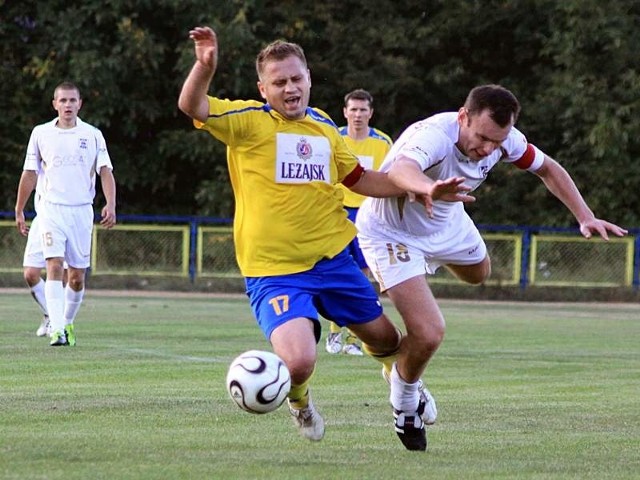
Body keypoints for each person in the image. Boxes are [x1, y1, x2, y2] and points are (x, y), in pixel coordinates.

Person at [177, 26, 463, 450]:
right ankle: (300, 403)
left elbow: (361, 178)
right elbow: (191, 104)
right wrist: (204, 67)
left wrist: (419, 187)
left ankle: (402, 384)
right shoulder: (247, 122)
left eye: (296, 79)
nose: (290, 88)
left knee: (387, 341)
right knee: (298, 361)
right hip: (274, 271)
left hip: (332, 261)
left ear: (309, 78)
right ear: (263, 88)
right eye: (279, 82)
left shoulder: (326, 127)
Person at [355, 84, 629, 449]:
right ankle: (405, 403)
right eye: (482, 137)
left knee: (479, 274)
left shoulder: (506, 139)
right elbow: (402, 170)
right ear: (463, 116)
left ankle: (404, 363)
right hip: (392, 232)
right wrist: (427, 187)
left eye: (496, 143)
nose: (487, 149)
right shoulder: (433, 135)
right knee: (430, 332)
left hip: (448, 222)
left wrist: (585, 215)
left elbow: (548, 168)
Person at [15, 81, 117, 347]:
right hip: (50, 210)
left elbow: (105, 171)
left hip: (81, 211)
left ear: (80, 104)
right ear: (55, 104)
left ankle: (66, 322)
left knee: (76, 276)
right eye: (63, 101)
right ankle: (57, 328)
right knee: (53, 266)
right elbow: (30, 173)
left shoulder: (92, 134)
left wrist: (110, 203)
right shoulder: (41, 133)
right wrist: (19, 208)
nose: (68, 105)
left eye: (73, 100)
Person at [325, 89, 393, 357]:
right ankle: (334, 333)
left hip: (368, 214)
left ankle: (354, 339)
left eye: (362, 110)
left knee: (362, 273)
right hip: (336, 212)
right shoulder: (334, 136)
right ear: (345, 112)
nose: (357, 115)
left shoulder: (382, 143)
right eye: (353, 109)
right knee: (335, 269)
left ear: (370, 113)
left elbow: (389, 177)